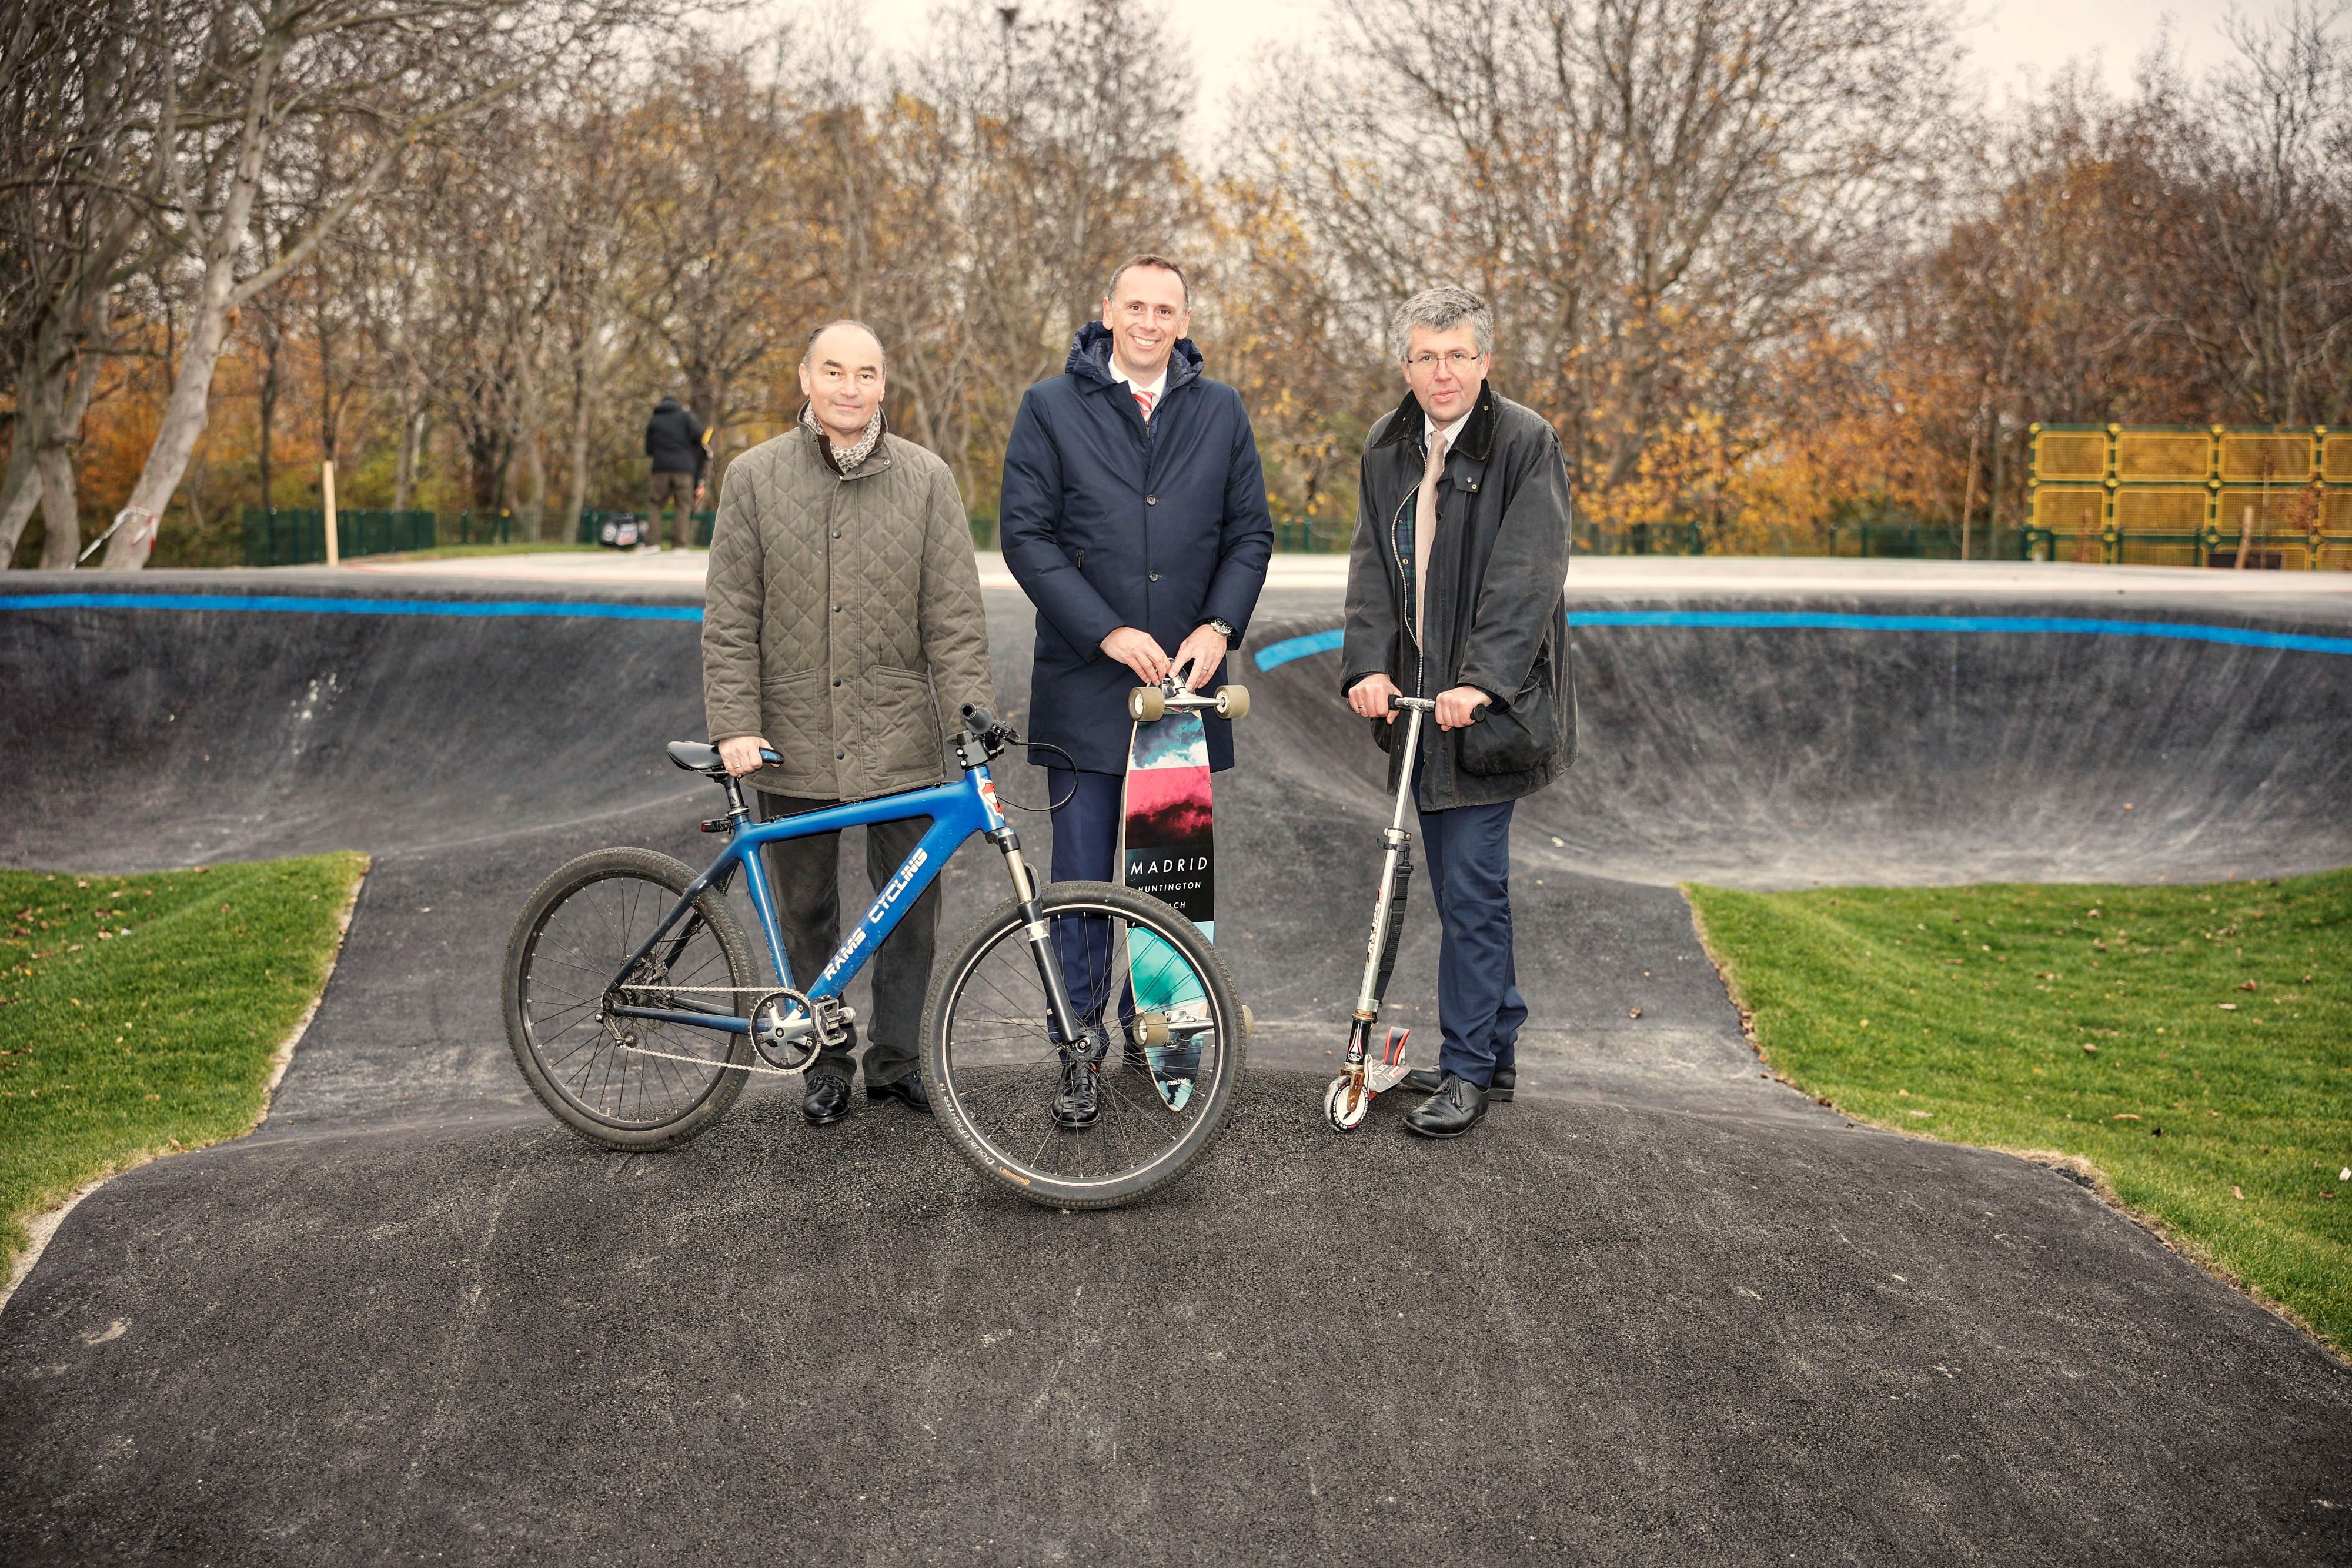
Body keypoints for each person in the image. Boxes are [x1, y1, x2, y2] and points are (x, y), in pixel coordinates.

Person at [999, 253, 1274, 1127]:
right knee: (1082, 881)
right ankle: (1078, 1044)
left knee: (1165, 884)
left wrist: (1218, 627)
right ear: (1107, 311)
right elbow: (1027, 538)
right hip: (1087, 688)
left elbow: (1250, 533)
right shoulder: (1050, 407)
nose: (1151, 321)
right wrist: (1108, 630)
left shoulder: (1221, 409)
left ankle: (1161, 1037)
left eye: (1168, 309)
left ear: (1185, 321)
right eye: (1137, 305)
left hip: (1184, 693)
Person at [702, 320, 996, 1125]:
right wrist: (734, 719)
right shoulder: (752, 478)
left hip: (898, 736)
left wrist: (974, 714)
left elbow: (954, 616)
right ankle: (822, 1062)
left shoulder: (928, 479)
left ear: (882, 385)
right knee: (805, 910)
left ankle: (898, 1060)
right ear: (805, 377)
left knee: (908, 908)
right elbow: (730, 616)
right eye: (834, 370)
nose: (849, 387)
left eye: (866, 373)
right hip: (788, 738)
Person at [1341, 285, 1575, 1139]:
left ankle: (1469, 1066)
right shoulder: (1388, 444)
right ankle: (1498, 1043)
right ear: (1406, 364)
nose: (1442, 372)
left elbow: (1529, 573)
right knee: (1461, 882)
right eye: (1426, 356)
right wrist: (1367, 663)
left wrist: (1481, 679)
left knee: (1471, 889)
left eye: (1458, 355)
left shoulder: (1526, 442)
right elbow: (1371, 562)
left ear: (1486, 360)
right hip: (1416, 708)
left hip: (1486, 709)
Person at [645, 394, 710, 549]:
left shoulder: (654, 421)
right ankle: (679, 545)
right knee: (683, 505)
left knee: (656, 504)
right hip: (684, 468)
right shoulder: (685, 417)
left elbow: (648, 449)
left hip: (660, 467)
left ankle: (653, 544)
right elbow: (701, 436)